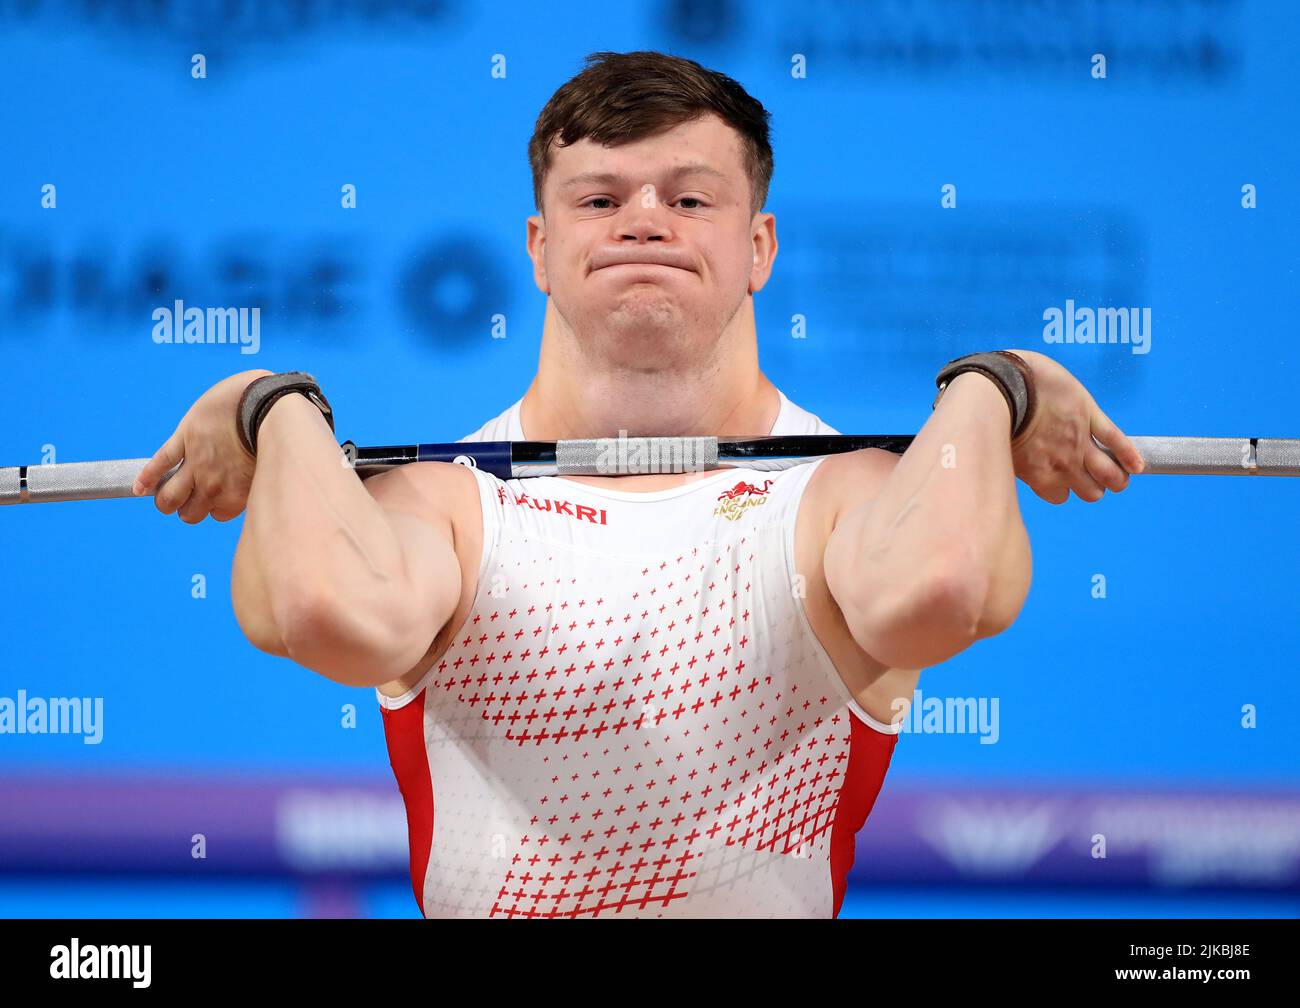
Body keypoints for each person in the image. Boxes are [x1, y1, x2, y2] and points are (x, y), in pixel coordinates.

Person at [133, 51, 1144, 918]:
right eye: (601, 199)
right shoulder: (445, 501)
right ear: (541, 247)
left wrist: (992, 384)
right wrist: (270, 401)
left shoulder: (845, 494)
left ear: (759, 246)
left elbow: (942, 593)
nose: (645, 222)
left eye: (690, 198)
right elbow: (321, 612)